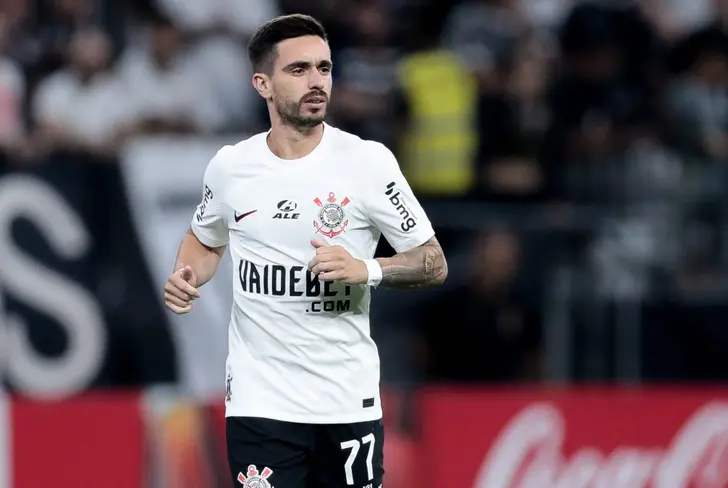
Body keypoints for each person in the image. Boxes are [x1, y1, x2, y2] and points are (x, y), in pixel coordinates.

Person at [163, 13, 447, 488]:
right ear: (263, 84)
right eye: (299, 69)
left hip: (346, 399)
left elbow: (432, 261)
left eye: (324, 68)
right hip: (260, 402)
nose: (317, 81)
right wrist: (186, 273)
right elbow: (204, 239)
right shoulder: (231, 167)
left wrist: (367, 269)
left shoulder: (368, 163)